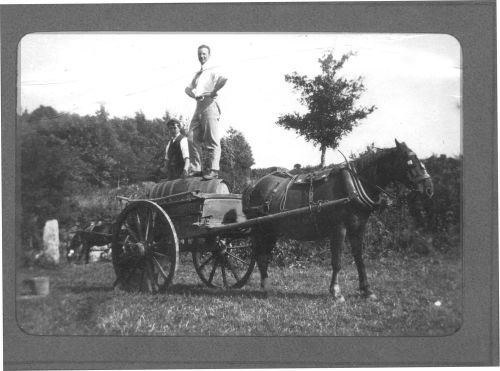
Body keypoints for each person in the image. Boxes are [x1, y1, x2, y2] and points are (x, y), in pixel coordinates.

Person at [185, 44, 227, 179]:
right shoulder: (198, 73)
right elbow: (187, 89)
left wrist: (214, 91)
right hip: (199, 105)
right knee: (191, 137)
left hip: (210, 104)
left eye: (204, 54)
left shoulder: (213, 68)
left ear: (209, 55)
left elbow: (224, 79)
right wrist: (195, 95)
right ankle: (196, 168)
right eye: (200, 54)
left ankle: (214, 169)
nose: (202, 56)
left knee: (212, 138)